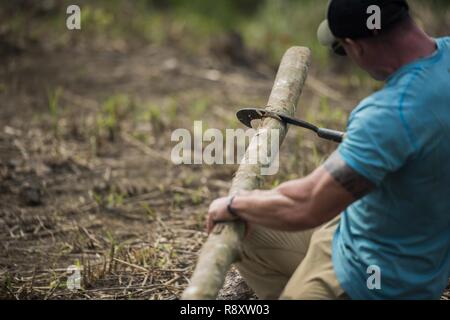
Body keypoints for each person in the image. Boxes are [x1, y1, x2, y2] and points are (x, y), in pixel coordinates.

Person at [206, 0, 450, 299]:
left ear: (356, 47)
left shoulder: (388, 116)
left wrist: (231, 204)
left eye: (342, 50)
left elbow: (306, 205)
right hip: (350, 228)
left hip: (372, 281)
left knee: (241, 214)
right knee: (249, 228)